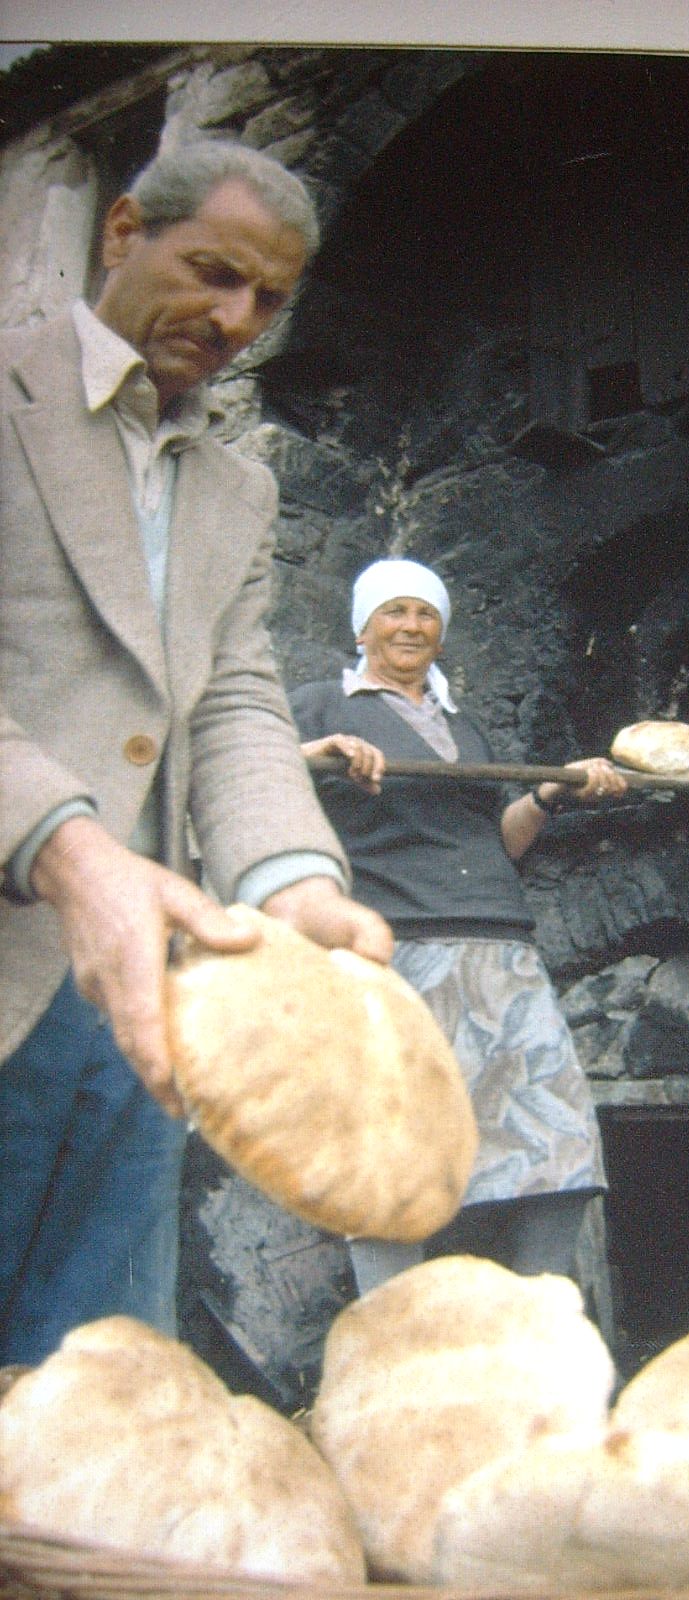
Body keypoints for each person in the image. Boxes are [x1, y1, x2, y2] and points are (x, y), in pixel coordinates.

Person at [0, 140, 393, 1364]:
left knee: (101, 1385)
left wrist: (297, 887)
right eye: (213, 272)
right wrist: (74, 855)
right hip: (17, 946)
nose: (234, 320)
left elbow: (229, 698)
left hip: (148, 1005)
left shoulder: (237, 489)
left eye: (267, 300)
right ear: (122, 232)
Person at [293, 558, 628, 1291]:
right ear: (361, 626)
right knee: (395, 1148)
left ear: (441, 635)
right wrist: (315, 755)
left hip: (500, 944)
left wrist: (549, 791)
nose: (410, 626)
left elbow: (496, 841)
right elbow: (245, 783)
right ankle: (390, 1331)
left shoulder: (463, 729)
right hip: (398, 946)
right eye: (394, 611)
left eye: (425, 615)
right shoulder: (321, 706)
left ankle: (537, 1319)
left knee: (561, 1142)